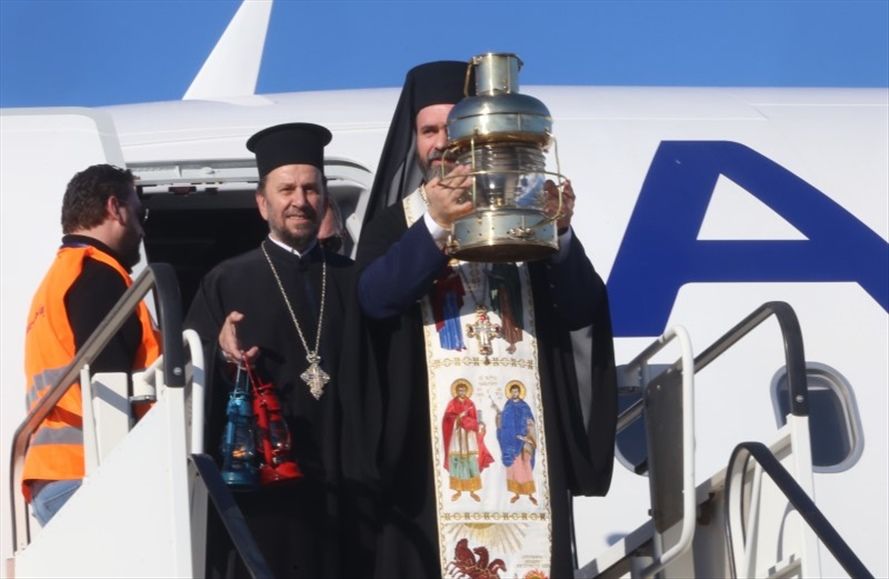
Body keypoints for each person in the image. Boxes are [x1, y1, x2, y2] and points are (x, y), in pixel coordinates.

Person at [354, 60, 618, 578]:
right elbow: (374, 300)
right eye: (428, 131)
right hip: (429, 459)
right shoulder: (398, 223)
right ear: (415, 141)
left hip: (526, 448)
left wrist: (561, 232)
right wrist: (436, 225)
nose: (441, 144)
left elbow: (581, 307)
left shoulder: (524, 218)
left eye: (451, 128)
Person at [185, 123, 357, 578]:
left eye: (311, 189)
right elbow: (187, 374)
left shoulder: (352, 278)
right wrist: (222, 355)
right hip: (266, 489)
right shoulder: (226, 280)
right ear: (263, 203)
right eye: (286, 190)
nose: (300, 200)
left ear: (324, 198)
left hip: (346, 481)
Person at [23, 164, 160, 526]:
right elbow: (109, 384)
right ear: (115, 208)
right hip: (90, 471)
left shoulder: (58, 279)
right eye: (140, 214)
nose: (142, 229)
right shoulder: (97, 274)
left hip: (54, 475)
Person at [442, 379, 493, 502]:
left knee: (471, 460)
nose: (462, 392)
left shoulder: (470, 403)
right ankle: (458, 490)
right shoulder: (452, 403)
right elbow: (447, 418)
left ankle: (472, 490)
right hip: (457, 435)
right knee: (457, 460)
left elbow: (475, 419)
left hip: (469, 436)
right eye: (460, 390)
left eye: (464, 390)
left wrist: (476, 424)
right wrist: (458, 418)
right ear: (456, 391)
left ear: (466, 391)